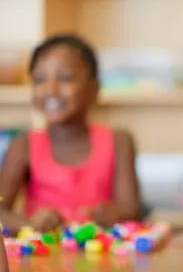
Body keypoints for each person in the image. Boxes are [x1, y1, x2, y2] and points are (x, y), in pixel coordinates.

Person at [0, 34, 141, 233]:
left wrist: (113, 212)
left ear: (94, 89)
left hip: (105, 260)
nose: (51, 89)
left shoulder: (119, 141)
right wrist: (30, 224)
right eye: (40, 79)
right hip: (41, 261)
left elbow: (131, 208)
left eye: (65, 78)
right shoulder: (24, 144)